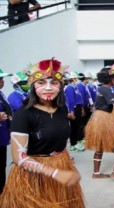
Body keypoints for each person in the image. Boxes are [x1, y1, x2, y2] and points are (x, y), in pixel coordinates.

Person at [0, 59, 84, 207]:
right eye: (41, 83)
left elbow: (59, 139)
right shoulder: (24, 114)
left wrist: (65, 158)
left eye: (54, 83)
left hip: (60, 165)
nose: (48, 88)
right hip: (34, 177)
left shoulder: (62, 109)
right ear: (32, 86)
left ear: (60, 85)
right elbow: (19, 158)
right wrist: (55, 173)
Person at [85, 65, 114, 182]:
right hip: (103, 118)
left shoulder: (104, 89)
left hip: (99, 118)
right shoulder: (105, 90)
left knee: (99, 145)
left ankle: (96, 173)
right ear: (110, 80)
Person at [64, 71, 85, 152]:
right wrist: (71, 111)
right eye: (75, 78)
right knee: (74, 127)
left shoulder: (75, 87)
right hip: (74, 108)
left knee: (77, 126)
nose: (77, 80)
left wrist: (82, 108)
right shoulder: (69, 88)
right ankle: (73, 144)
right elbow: (70, 101)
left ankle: (75, 142)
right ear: (72, 79)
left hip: (78, 107)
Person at [0, 69, 12, 194]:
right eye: (0, 79)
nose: (2, 81)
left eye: (2, 79)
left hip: (2, 138)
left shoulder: (1, 94)